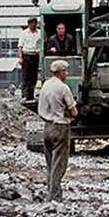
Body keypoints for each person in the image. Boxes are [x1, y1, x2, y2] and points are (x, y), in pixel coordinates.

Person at [37, 59, 77, 202]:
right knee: (59, 164)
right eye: (65, 70)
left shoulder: (46, 85)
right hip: (60, 127)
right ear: (60, 72)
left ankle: (51, 192)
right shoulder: (63, 88)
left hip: (47, 127)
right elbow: (74, 112)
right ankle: (54, 196)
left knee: (50, 163)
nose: (67, 73)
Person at [18, 16, 41, 101]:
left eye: (35, 24)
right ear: (29, 24)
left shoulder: (39, 32)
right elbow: (20, 46)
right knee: (26, 76)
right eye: (32, 24)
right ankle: (24, 95)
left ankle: (31, 95)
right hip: (26, 55)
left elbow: (44, 40)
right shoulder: (24, 33)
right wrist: (20, 58)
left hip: (35, 55)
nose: (34, 25)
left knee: (33, 76)